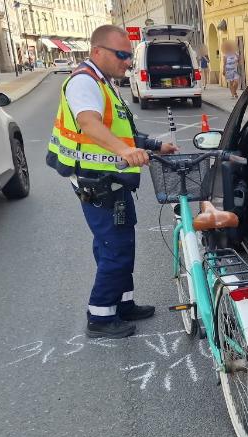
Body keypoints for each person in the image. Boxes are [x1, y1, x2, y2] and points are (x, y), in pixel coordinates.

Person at [46, 25, 178, 339]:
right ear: (97, 51)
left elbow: (122, 132)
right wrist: (125, 151)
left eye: (129, 56)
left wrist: (154, 146)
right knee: (114, 250)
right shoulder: (84, 82)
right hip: (98, 184)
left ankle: (123, 304)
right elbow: (89, 123)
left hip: (113, 183)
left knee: (121, 245)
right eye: (121, 55)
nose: (128, 62)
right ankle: (100, 316)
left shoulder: (104, 82)